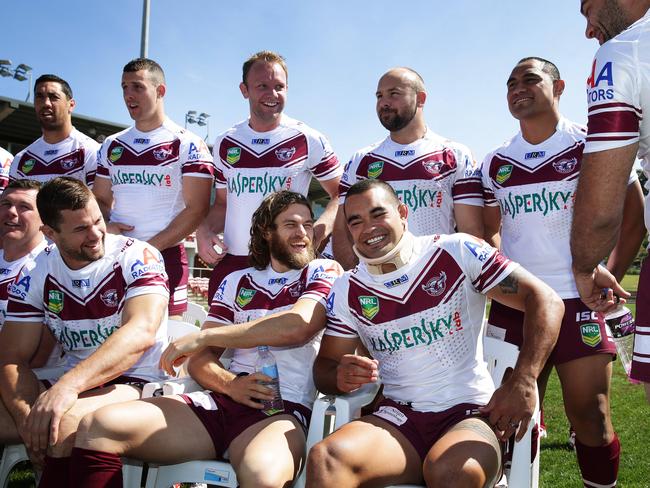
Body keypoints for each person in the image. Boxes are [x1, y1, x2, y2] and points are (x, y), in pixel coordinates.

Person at [69, 191, 342, 488]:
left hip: (281, 409)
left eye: (307, 224)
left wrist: (205, 336)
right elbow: (200, 360)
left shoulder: (324, 269)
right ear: (267, 231)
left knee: (262, 476)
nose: (303, 233)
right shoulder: (237, 280)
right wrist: (230, 385)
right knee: (98, 427)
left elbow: (297, 326)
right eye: (290, 224)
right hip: (221, 402)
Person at [307, 179, 563, 488]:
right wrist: (338, 376)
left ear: (402, 212)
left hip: (469, 413)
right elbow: (324, 368)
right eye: (356, 221)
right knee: (326, 459)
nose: (369, 227)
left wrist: (524, 379)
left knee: (450, 472)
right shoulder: (348, 288)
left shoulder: (455, 250)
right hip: (400, 419)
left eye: (378, 214)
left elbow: (546, 300)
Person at [483, 57, 644, 487]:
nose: (518, 87)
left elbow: (634, 218)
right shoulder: (495, 161)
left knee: (592, 415)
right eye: (510, 81)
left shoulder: (594, 145)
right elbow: (489, 232)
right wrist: (507, 279)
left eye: (530, 78)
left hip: (578, 302)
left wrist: (603, 271)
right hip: (517, 306)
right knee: (501, 419)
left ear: (559, 87)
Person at [0, 177, 169, 487]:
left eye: (97, 221)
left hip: (138, 379)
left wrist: (66, 388)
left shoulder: (137, 256)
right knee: (42, 419)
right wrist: (26, 416)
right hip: (72, 381)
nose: (95, 235)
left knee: (63, 422)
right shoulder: (36, 269)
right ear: (49, 233)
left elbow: (140, 332)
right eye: (80, 229)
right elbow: (10, 357)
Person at [195, 50, 342, 300]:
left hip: (287, 264)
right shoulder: (225, 142)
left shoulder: (308, 138)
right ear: (244, 90)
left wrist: (317, 231)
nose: (272, 94)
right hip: (234, 263)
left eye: (279, 86)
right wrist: (204, 231)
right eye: (262, 85)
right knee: (219, 339)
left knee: (286, 339)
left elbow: (341, 193)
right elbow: (222, 204)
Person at [93, 58, 215, 319]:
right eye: (124, 87)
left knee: (166, 345)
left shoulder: (188, 144)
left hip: (165, 257)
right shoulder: (112, 145)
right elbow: (100, 199)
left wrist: (148, 249)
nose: (128, 95)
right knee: (111, 338)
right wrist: (103, 225)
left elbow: (197, 209)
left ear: (160, 91)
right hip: (116, 255)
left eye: (137, 87)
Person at [571, 0, 650, 396]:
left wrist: (586, 268)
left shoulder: (623, 51)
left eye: (587, 9)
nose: (588, 28)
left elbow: (603, 203)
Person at [332, 67, 484, 270]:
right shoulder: (360, 161)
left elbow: (470, 232)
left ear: (420, 98)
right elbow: (342, 229)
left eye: (394, 93)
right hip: (380, 284)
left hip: (438, 279)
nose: (384, 102)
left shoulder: (455, 154)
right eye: (379, 96)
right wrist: (356, 278)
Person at [0, 179, 59, 446]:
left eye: (24, 207)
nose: (12, 212)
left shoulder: (49, 267)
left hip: (32, 383)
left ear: (43, 222)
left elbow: (37, 357)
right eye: (5, 204)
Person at [9, 75, 99, 186]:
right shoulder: (21, 159)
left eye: (53, 97)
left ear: (71, 105)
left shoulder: (91, 151)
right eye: (39, 96)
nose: (46, 103)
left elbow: (99, 202)